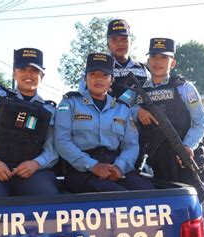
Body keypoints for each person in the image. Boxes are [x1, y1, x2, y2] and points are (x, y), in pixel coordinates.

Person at [0, 48, 59, 198]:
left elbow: (53, 146)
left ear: (42, 75)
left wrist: (37, 163)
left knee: (46, 199)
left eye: (34, 70)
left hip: (31, 172)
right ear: (14, 73)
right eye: (23, 69)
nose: (29, 74)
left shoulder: (50, 110)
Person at [55, 53, 154, 193]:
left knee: (148, 191)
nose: (98, 79)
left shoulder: (122, 108)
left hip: (114, 166)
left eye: (104, 75)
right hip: (81, 169)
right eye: (93, 75)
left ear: (111, 80)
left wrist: (120, 167)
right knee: (116, 195)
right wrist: (93, 166)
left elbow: (131, 145)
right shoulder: (70, 103)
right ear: (85, 78)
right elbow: (61, 141)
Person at [133, 38, 204, 202]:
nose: (158, 61)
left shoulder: (185, 88)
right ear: (148, 61)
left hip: (184, 157)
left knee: (189, 209)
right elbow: (121, 112)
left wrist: (188, 146)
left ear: (173, 63)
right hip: (156, 162)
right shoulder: (137, 91)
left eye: (164, 57)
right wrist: (136, 110)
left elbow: (201, 123)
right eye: (154, 57)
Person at [79, 19, 150, 107]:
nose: (120, 43)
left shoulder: (143, 70)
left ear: (131, 42)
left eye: (124, 39)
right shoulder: (94, 70)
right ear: (108, 45)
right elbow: (83, 101)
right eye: (114, 40)